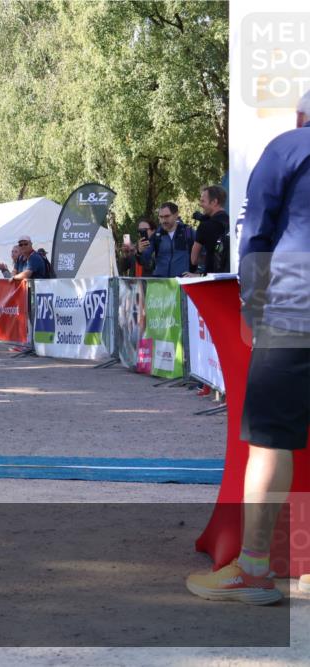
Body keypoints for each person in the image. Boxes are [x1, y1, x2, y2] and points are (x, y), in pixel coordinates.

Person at [186, 90, 310, 604]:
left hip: (294, 307)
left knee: (269, 440)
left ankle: (254, 569)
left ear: (302, 116)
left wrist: (251, 305)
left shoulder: (287, 147)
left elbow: (256, 234)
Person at [141, 202, 195, 277]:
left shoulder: (188, 231)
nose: (163, 220)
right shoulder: (157, 235)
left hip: (181, 281)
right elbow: (144, 260)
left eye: (167, 216)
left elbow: (203, 253)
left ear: (176, 215)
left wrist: (199, 274)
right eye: (161, 217)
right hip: (160, 281)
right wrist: (139, 252)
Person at [192, 185, 231, 275]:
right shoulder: (233, 222)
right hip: (231, 277)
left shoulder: (205, 226)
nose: (200, 204)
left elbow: (194, 260)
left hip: (212, 278)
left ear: (214, 202)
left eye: (203, 201)